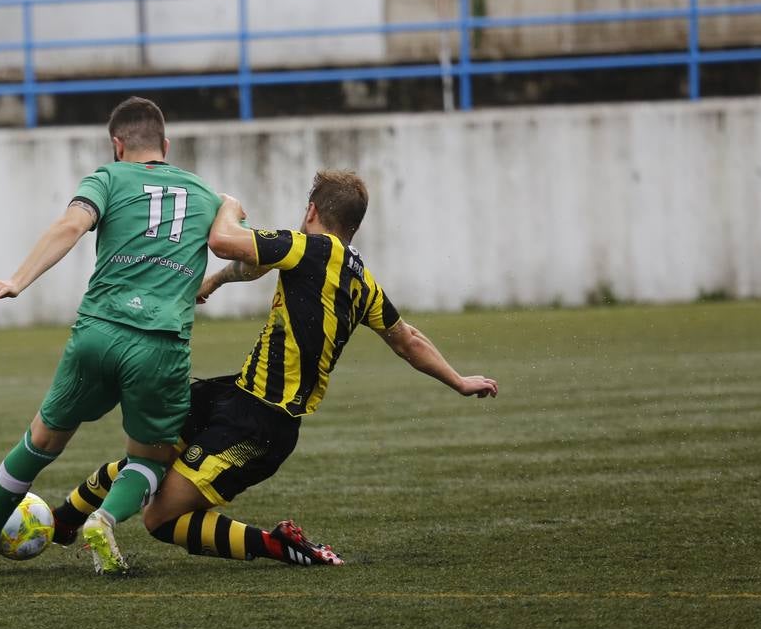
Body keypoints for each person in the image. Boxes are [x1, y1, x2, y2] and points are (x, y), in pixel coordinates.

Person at [50, 169, 499, 566]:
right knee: (147, 457)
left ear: (311, 210)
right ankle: (61, 522)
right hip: (236, 393)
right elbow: (407, 339)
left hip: (262, 426)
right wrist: (458, 381)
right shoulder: (361, 281)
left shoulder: (308, 247)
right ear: (355, 227)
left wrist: (227, 207)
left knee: (160, 516)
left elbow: (225, 241)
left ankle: (279, 544)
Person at [0, 96, 223, 574]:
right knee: (150, 459)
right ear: (166, 144)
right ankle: (102, 518)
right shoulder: (207, 194)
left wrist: (17, 280)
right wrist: (214, 280)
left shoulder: (106, 177)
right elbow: (241, 250)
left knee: (41, 440)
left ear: (117, 145)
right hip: (160, 344)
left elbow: (71, 225)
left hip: (98, 332)